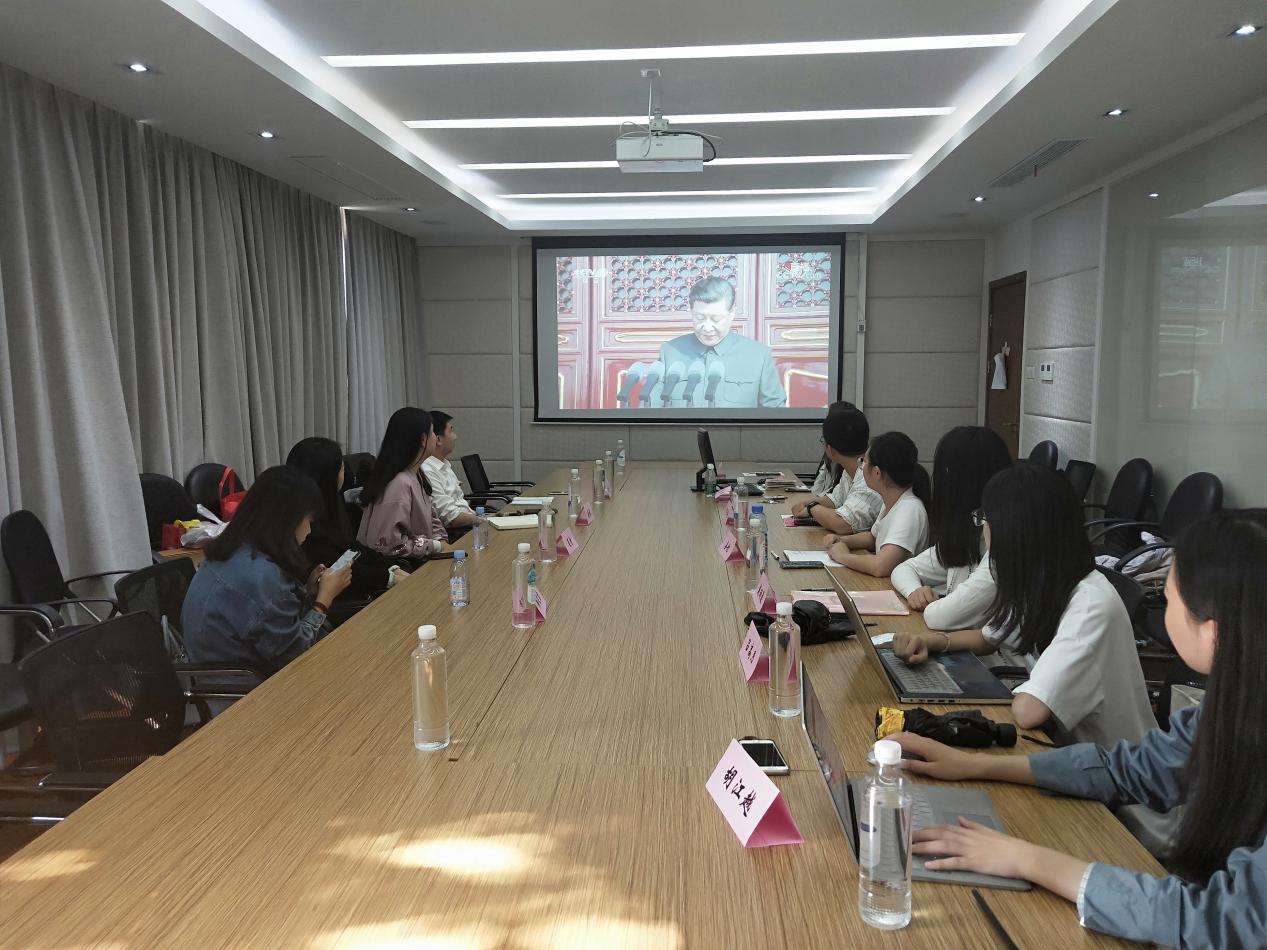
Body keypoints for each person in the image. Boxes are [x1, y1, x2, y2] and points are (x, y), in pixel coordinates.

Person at [893, 510, 1267, 947]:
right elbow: (1130, 769)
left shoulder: (1092, 601)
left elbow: (1219, 921)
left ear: (1212, 633)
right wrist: (975, 765)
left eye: (1168, 601)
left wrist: (1029, 860)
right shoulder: (1236, 705)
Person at [891, 463, 1154, 745]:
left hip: (1112, 764)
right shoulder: (1046, 578)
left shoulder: (1091, 606)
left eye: (986, 519)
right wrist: (931, 642)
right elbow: (989, 637)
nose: (984, 529)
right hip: (1066, 747)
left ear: (1013, 531)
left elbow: (1029, 711)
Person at [181, 465, 352, 674]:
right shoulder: (261, 576)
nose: (309, 530)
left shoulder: (234, 550)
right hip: (245, 687)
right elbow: (296, 656)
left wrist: (309, 592)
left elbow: (271, 621)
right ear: (288, 520)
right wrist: (323, 600)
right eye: (308, 520)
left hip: (217, 673)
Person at [890, 427, 1012, 630]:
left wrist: (935, 604)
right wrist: (914, 591)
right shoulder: (966, 532)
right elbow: (904, 569)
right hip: (955, 641)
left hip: (975, 649)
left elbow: (939, 617)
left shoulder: (1000, 547)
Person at [285, 437, 413, 600]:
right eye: (341, 467)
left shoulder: (331, 501)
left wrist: (391, 568)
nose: (345, 472)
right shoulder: (304, 521)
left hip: (355, 584)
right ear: (328, 476)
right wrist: (388, 577)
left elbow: (350, 549)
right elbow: (335, 567)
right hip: (335, 599)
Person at [656, 276, 785, 408]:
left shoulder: (758, 356)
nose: (707, 328)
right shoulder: (670, 352)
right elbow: (652, 407)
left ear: (732, 314)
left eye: (716, 319)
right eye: (699, 318)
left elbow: (775, 410)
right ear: (691, 312)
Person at [823, 431, 929, 577]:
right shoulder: (892, 500)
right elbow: (874, 538)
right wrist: (842, 540)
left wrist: (842, 556)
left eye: (864, 462)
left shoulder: (910, 510)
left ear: (877, 472)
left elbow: (880, 566)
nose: (861, 467)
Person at [357, 407, 450, 559]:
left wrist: (440, 539)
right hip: (404, 567)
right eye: (433, 432)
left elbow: (432, 517)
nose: (435, 437)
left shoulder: (416, 474)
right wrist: (435, 546)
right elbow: (389, 545)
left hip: (424, 558)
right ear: (423, 439)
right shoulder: (398, 484)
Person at [791, 406, 882, 536]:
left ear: (831, 450)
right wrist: (808, 503)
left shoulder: (870, 477)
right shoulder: (852, 469)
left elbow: (843, 524)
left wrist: (812, 508)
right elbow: (835, 500)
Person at [421, 410, 478, 531]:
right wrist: (484, 519)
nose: (455, 437)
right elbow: (452, 518)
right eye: (451, 431)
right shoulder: (427, 471)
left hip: (469, 523)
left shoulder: (444, 465)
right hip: (457, 534)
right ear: (438, 440)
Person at [805, 400, 854, 495]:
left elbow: (835, 494)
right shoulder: (830, 451)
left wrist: (814, 500)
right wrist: (810, 497)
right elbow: (819, 483)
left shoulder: (846, 456)